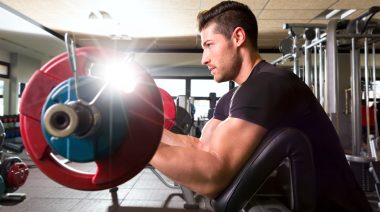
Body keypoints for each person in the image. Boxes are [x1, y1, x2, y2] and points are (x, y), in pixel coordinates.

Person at [150, 1, 372, 211]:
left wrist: (138, 145)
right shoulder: (230, 99)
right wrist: (145, 130)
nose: (203, 59)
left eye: (209, 45)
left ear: (237, 37)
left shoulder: (269, 84)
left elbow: (213, 176)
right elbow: (199, 147)